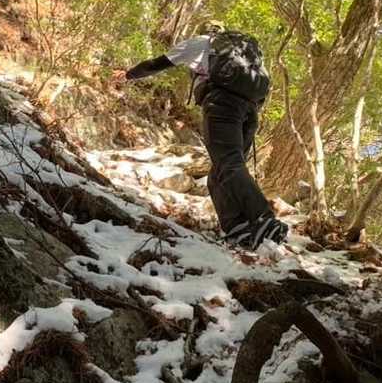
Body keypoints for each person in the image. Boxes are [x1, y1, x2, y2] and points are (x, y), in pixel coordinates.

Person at [113, 23, 287, 249]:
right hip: (250, 111)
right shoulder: (246, 53)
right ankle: (238, 229)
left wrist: (128, 75)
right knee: (220, 171)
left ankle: (264, 220)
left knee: (228, 163)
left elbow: (157, 64)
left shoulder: (201, 43)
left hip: (222, 105)